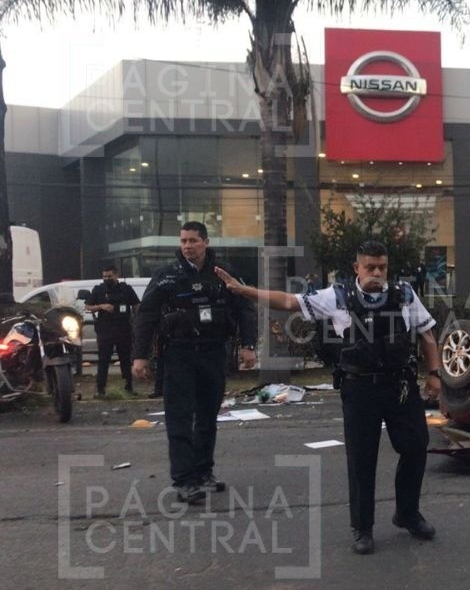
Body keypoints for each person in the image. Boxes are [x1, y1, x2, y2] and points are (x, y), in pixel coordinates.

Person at [213, 241, 441, 556]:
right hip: (359, 389)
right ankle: (362, 528)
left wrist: (434, 373)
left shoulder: (403, 294)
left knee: (416, 447)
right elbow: (289, 301)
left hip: (399, 386)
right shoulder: (337, 296)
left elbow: (427, 332)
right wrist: (245, 291)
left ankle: (408, 513)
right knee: (362, 459)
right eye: (370, 267)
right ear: (357, 268)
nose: (377, 273)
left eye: (382, 267)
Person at [132, 222, 257, 504]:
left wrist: (249, 346)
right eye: (184, 241)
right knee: (179, 418)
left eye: (193, 240)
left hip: (213, 352)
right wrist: (139, 356)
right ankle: (184, 480)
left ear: (206, 242)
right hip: (178, 354)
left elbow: (245, 309)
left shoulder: (223, 274)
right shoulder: (166, 276)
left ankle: (203, 473)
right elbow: (147, 315)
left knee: (207, 416)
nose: (188, 246)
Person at [84, 266, 140, 397]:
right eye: (104, 277)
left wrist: (135, 319)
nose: (106, 279)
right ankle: (100, 389)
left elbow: (136, 305)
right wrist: (101, 306)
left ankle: (128, 387)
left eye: (109, 276)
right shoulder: (99, 289)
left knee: (125, 359)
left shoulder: (126, 289)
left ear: (116, 275)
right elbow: (88, 306)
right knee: (103, 360)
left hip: (123, 328)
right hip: (105, 330)